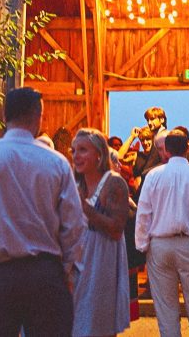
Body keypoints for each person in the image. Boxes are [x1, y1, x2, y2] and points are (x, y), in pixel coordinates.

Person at [0, 88, 84, 337]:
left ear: (4, 116)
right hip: (45, 277)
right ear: (38, 115)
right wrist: (67, 269)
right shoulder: (56, 163)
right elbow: (73, 225)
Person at [135, 130, 189, 337]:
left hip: (160, 244)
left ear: (166, 150)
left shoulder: (153, 176)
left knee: (166, 311)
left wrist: (142, 245)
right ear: (188, 148)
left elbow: (143, 213)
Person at [70, 129, 131, 337]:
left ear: (99, 154)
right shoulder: (75, 183)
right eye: (74, 151)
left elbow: (116, 229)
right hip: (76, 258)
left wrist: (85, 208)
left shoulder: (113, 183)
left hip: (101, 257)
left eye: (83, 150)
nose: (76, 156)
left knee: (97, 320)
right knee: (74, 320)